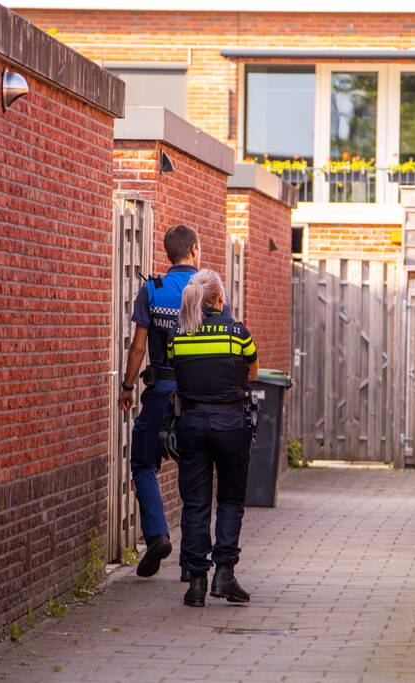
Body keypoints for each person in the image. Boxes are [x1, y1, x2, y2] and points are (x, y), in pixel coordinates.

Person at [119, 224, 213, 579]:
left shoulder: (153, 290)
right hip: (197, 396)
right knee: (195, 473)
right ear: (194, 248)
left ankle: (157, 535)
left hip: (160, 392)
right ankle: (192, 562)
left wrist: (128, 386)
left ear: (167, 253)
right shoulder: (208, 290)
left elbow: (138, 346)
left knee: (144, 464)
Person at [166, 269, 258, 607]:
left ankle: (195, 583)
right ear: (220, 298)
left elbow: (177, 371)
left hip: (191, 423)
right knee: (230, 499)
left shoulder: (178, 336)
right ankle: (225, 574)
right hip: (231, 424)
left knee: (195, 503)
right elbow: (252, 372)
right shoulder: (238, 334)